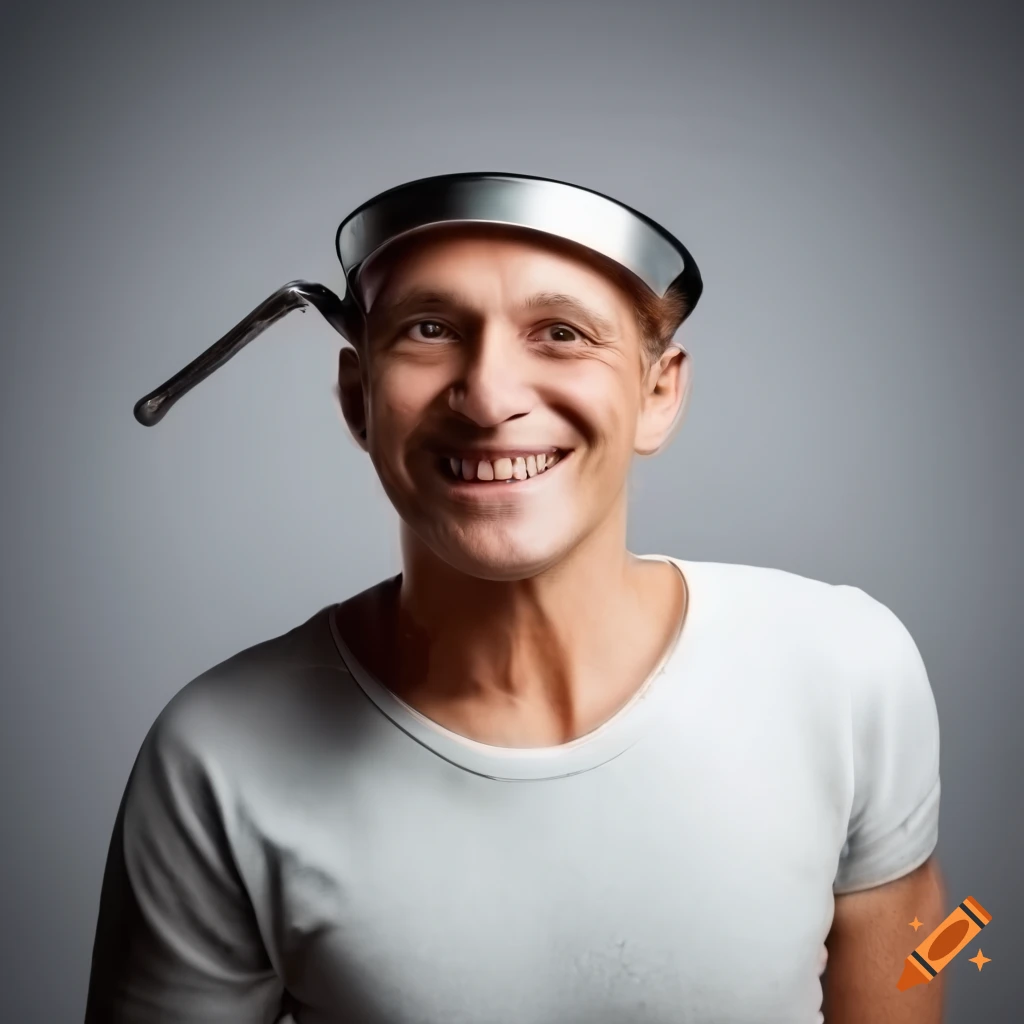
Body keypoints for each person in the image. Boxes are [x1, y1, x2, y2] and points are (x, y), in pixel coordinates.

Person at [86, 173, 944, 1023]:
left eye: (561, 334)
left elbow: (935, 949)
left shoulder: (847, 667)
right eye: (429, 330)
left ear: (658, 393)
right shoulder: (216, 759)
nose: (490, 397)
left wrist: (977, 945)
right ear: (358, 399)